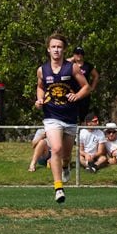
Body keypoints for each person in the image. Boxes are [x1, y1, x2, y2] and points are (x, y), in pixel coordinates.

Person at [34, 33, 90, 204]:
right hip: (51, 116)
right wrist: (40, 99)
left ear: (64, 50)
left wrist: (77, 96)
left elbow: (86, 87)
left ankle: (65, 166)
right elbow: (40, 87)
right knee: (56, 149)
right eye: (53, 47)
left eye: (59, 47)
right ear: (48, 49)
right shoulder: (42, 70)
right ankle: (58, 188)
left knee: (65, 154)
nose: (56, 50)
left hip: (70, 117)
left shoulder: (71, 68)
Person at [68, 46, 99, 122]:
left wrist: (92, 88)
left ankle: (82, 130)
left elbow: (96, 76)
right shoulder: (70, 65)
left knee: (83, 115)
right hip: (72, 93)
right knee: (71, 114)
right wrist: (72, 59)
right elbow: (62, 62)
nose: (79, 55)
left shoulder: (87, 66)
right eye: (77, 53)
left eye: (81, 53)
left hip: (84, 94)